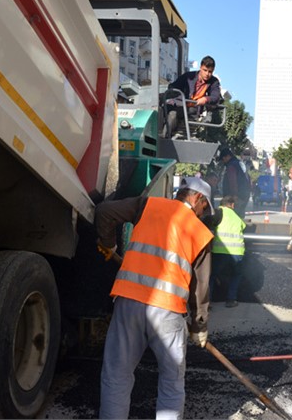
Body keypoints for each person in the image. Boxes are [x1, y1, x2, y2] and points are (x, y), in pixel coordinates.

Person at [95, 177, 214, 419]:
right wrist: (198, 325)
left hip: (128, 303)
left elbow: (104, 211)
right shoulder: (200, 232)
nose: (203, 215)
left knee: (116, 376)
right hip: (168, 312)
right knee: (171, 383)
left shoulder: (148, 205)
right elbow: (199, 287)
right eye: (205, 208)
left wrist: (109, 244)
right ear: (197, 198)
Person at [164, 56, 221, 137]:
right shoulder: (188, 76)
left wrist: (206, 99)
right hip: (180, 106)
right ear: (200, 67)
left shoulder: (214, 82)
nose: (207, 74)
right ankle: (165, 136)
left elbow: (215, 97)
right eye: (205, 70)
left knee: (176, 113)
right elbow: (173, 87)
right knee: (171, 113)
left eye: (210, 72)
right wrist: (172, 94)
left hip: (193, 110)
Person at [209, 195, 246, 307]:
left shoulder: (218, 212)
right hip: (237, 252)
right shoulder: (236, 216)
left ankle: (207, 301)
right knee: (236, 275)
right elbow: (243, 226)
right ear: (232, 205)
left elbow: (209, 224)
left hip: (220, 251)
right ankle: (231, 299)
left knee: (212, 275)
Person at [219, 148, 251, 219]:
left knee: (231, 217)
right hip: (244, 195)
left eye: (223, 159)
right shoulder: (240, 164)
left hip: (235, 198)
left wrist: (234, 195)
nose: (223, 162)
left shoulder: (231, 166)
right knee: (240, 217)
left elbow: (232, 181)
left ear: (227, 156)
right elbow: (248, 178)